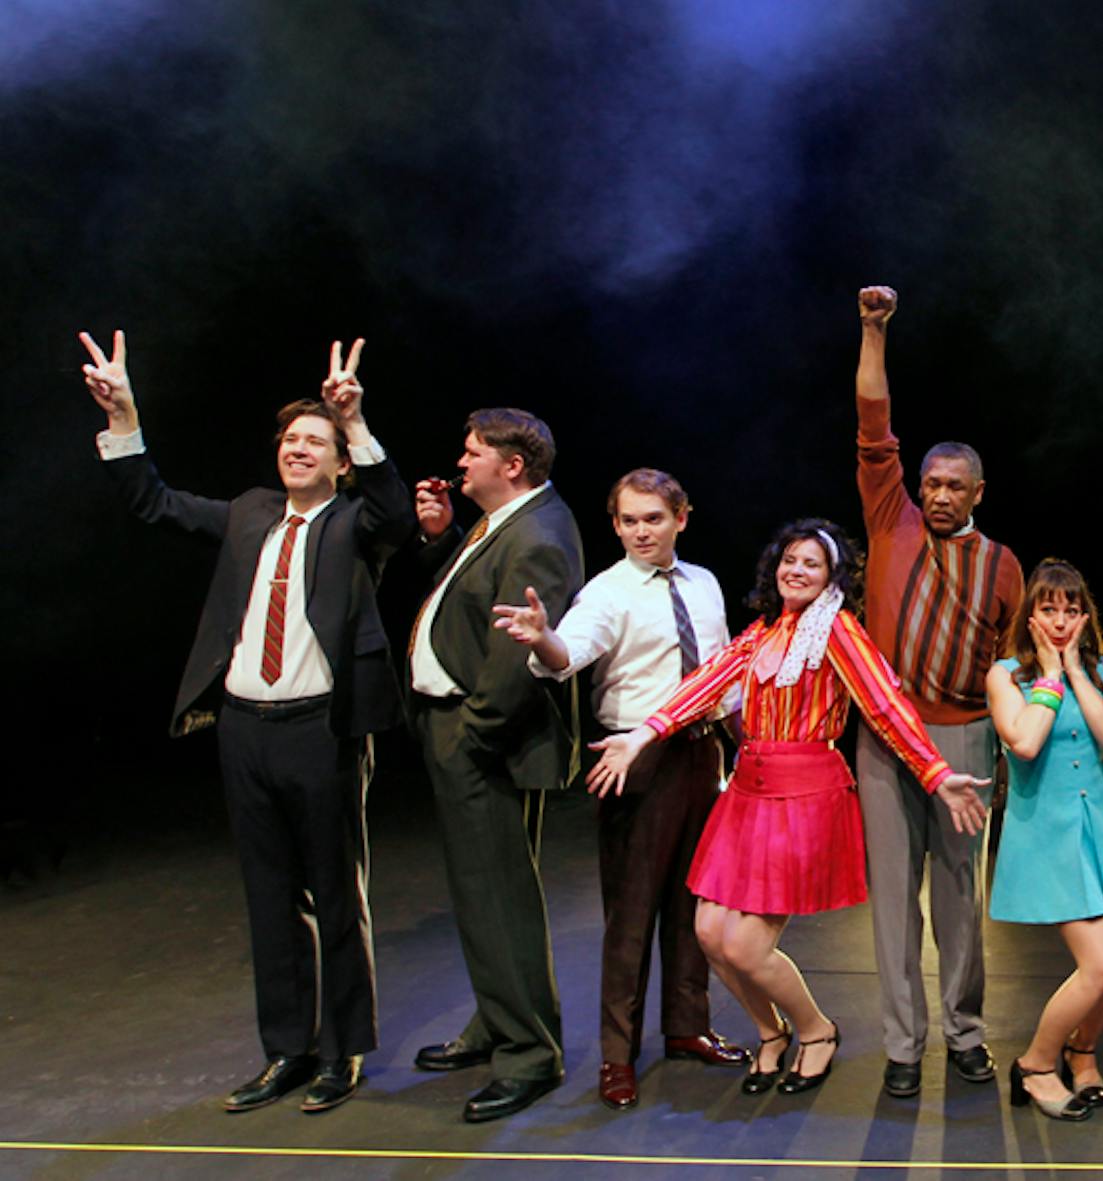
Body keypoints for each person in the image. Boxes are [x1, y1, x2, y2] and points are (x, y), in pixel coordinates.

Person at [80, 332, 413, 1115]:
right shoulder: (247, 514)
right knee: (270, 897)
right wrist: (125, 414)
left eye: (316, 442)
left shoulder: (357, 523)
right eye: (291, 440)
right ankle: (288, 1050)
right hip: (244, 727)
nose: (299, 449)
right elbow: (151, 501)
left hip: (319, 730)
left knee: (334, 893)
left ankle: (343, 1052)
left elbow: (395, 509)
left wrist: (356, 421)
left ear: (338, 461)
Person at [586, 520, 992, 1099]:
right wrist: (642, 735)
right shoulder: (762, 633)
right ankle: (769, 1034)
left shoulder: (838, 632)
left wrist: (936, 773)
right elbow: (704, 684)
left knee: (748, 946)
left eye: (812, 564)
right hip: (749, 793)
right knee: (709, 933)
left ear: (831, 577)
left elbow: (884, 704)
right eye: (789, 561)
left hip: (804, 794)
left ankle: (816, 1031)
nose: (796, 571)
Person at [491, 468, 752, 1110]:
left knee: (695, 904)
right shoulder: (607, 592)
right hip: (634, 759)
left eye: (653, 519)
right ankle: (617, 1054)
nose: (641, 531)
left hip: (702, 754)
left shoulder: (705, 583)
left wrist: (744, 747)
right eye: (629, 520)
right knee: (631, 914)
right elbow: (569, 653)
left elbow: (721, 673)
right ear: (615, 525)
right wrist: (542, 638)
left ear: (680, 519)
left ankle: (687, 1026)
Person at [851, 286, 1024, 1097]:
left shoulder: (1003, 565)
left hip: (963, 738)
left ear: (978, 492)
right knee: (893, 900)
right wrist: (874, 331)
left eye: (956, 484)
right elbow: (874, 425)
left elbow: (1013, 661)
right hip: (886, 741)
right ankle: (899, 1045)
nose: (941, 493)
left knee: (959, 896)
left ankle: (963, 1031)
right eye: (933, 480)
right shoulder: (891, 521)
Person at [407, 408, 586, 1123]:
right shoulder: (505, 520)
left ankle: (529, 1054)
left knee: (499, 896)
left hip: (482, 736)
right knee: (480, 894)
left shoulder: (538, 533)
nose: (461, 460)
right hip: (458, 728)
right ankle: (494, 1021)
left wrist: (472, 731)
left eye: (473, 451)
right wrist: (443, 533)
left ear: (511, 464)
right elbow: (472, 598)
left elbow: (518, 648)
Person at [984, 560, 1103, 1123]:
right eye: (1049, 608)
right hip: (1048, 833)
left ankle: (1083, 1051)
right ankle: (1035, 1064)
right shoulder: (1006, 675)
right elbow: (1026, 742)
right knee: (1101, 965)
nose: (1060, 620)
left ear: (1086, 616)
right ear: (1031, 614)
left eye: (1072, 609)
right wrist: (1052, 676)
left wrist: (1078, 671)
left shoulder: (1102, 671)